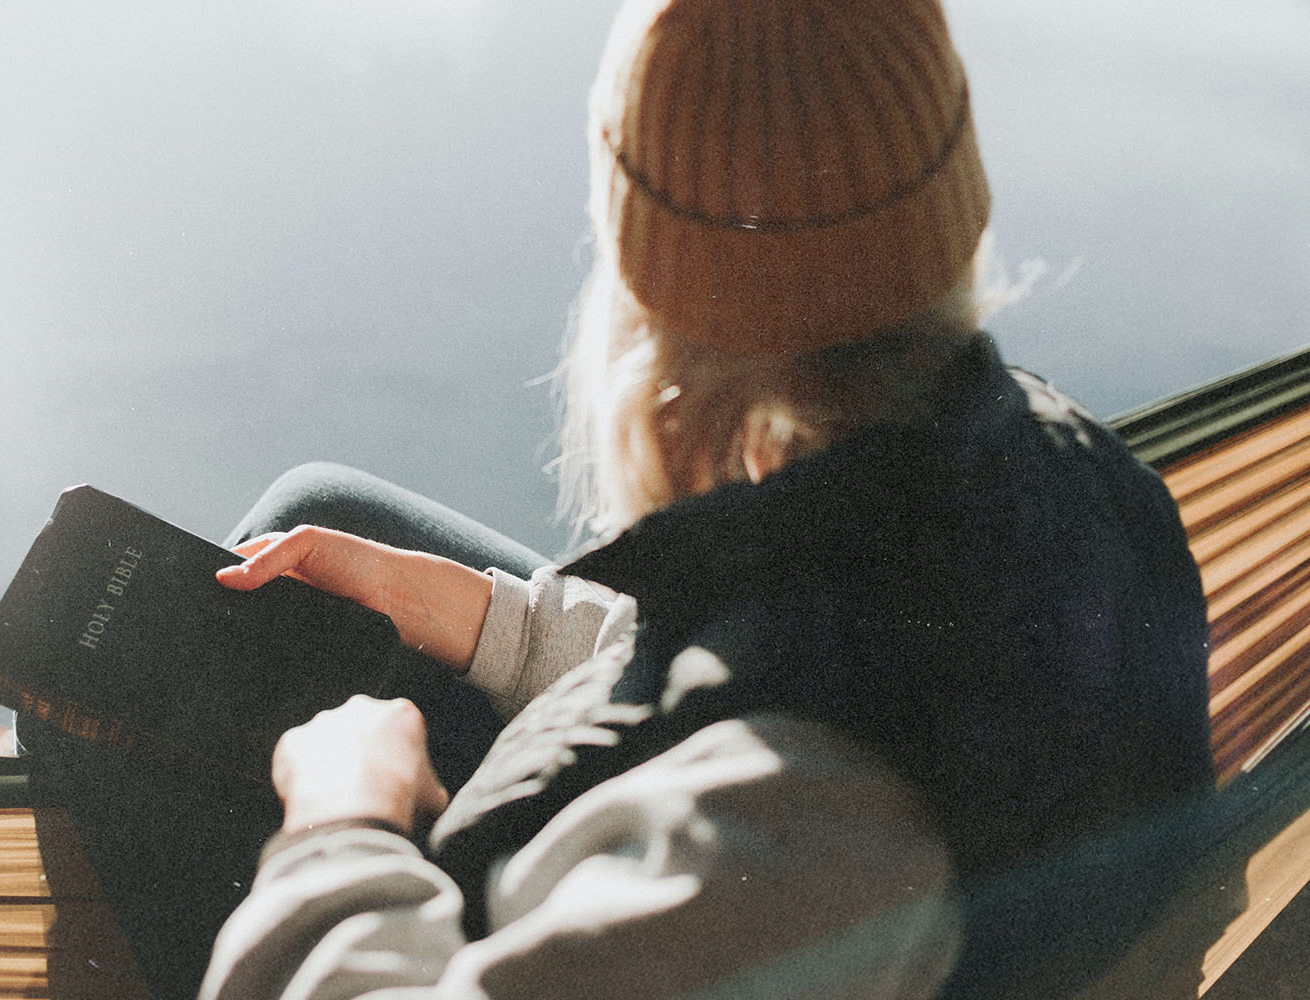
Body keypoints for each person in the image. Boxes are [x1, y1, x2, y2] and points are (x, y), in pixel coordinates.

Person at [177, 1, 1216, 997]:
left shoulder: (797, 840)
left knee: (149, 715)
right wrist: (499, 627)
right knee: (318, 517)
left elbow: (795, 738)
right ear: (954, 214)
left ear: (647, 290)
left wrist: (341, 821)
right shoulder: (1059, 470)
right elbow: (811, 645)